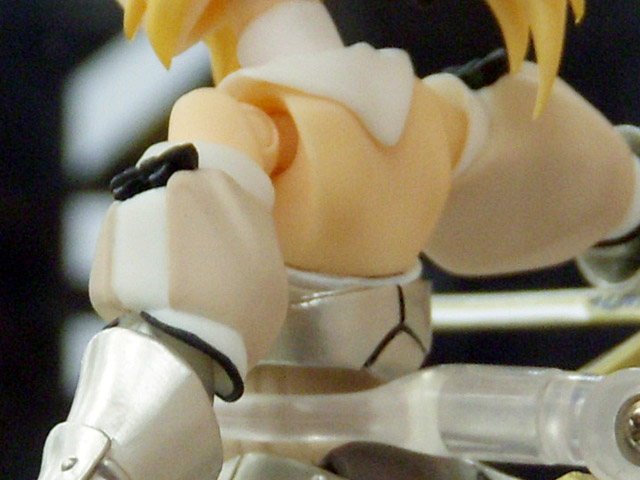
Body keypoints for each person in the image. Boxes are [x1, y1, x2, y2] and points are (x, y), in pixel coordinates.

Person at [37, 1, 640, 479]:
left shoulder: (402, 116)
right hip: (309, 436)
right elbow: (179, 312)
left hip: (383, 429)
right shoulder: (412, 118)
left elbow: (566, 174)